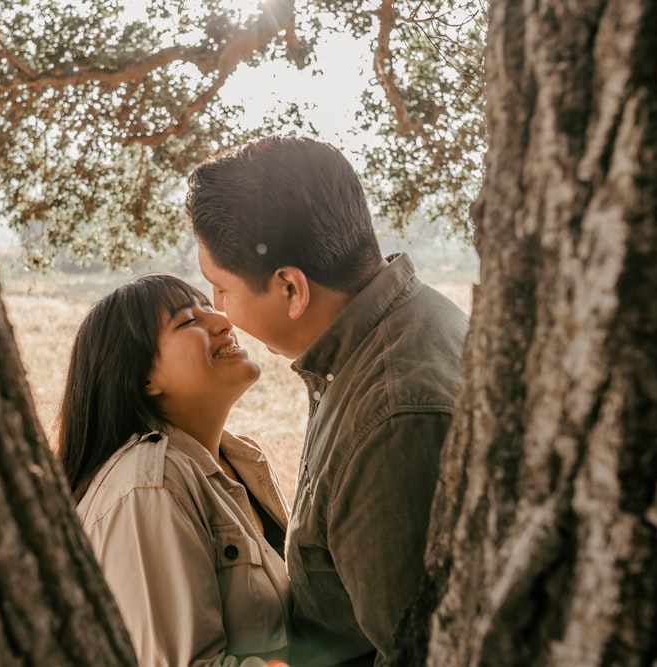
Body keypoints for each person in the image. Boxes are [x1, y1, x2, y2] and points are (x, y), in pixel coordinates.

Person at [186, 136, 468, 666]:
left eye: (220, 288)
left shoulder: (394, 418)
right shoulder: (392, 329)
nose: (218, 311)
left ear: (291, 289)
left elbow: (420, 653)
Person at [55, 273, 292, 667]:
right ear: (144, 377)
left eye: (210, 308)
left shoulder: (241, 460)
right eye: (187, 322)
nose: (223, 321)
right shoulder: (149, 486)